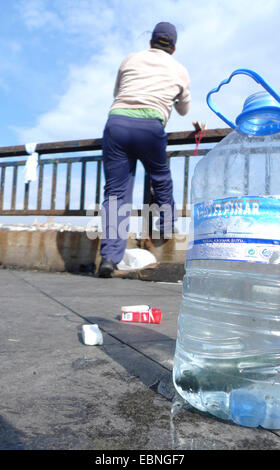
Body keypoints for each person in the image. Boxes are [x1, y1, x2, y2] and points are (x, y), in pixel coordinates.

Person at [98, 22, 191, 278]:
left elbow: (118, 92)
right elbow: (183, 110)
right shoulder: (179, 70)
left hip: (117, 123)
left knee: (116, 193)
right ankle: (167, 226)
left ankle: (108, 257)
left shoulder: (131, 59)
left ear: (151, 41)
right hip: (150, 127)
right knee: (161, 178)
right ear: (173, 47)